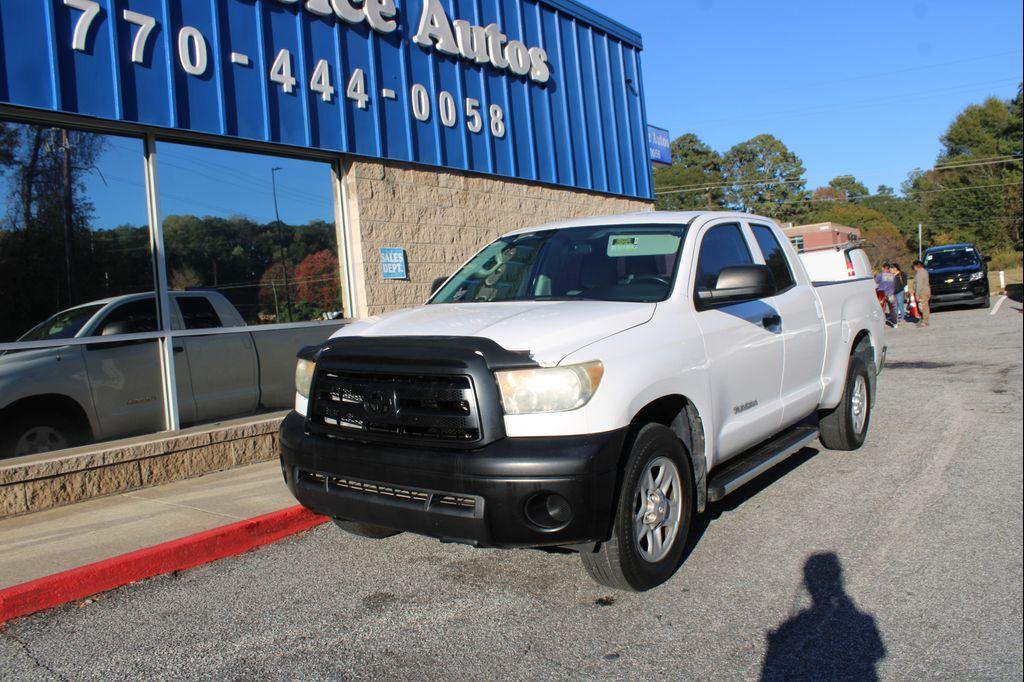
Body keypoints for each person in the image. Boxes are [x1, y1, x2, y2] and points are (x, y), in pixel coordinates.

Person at [874, 263, 897, 327]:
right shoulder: (893, 276)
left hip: (882, 294)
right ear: (889, 268)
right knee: (892, 309)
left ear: (883, 268)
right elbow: (894, 284)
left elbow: (875, 283)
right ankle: (895, 323)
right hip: (891, 293)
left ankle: (882, 323)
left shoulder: (880, 276)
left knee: (881, 309)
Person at [912, 259, 931, 327]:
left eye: (914, 266)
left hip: (922, 292)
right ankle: (923, 319)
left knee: (923, 307)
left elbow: (919, 284)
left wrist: (917, 295)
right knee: (924, 306)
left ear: (917, 266)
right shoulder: (924, 271)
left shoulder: (920, 273)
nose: (914, 268)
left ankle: (925, 321)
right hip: (925, 291)